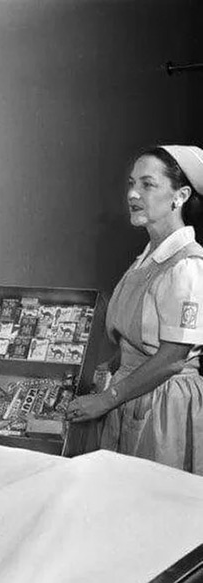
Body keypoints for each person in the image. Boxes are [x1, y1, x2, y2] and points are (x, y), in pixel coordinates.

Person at [66, 145, 203, 473]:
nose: (133, 193)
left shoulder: (186, 266)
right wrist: (110, 367)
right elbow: (137, 336)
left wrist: (106, 398)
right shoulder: (146, 259)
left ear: (180, 195)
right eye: (131, 183)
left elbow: (173, 357)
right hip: (130, 393)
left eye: (147, 184)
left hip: (163, 406)